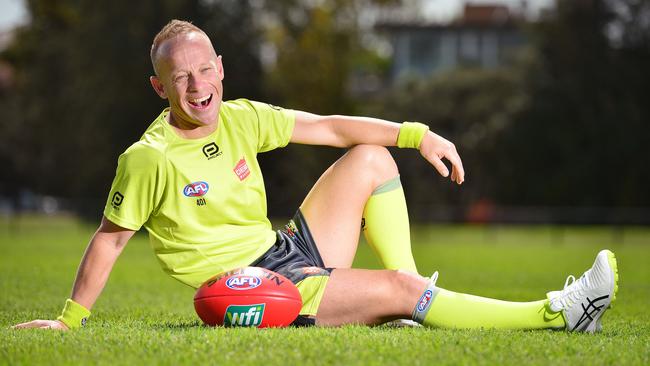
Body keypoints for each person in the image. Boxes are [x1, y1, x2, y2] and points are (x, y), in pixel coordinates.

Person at [13, 20, 617, 332]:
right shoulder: (148, 157)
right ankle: (559, 313)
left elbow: (331, 127)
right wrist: (69, 322)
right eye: (181, 79)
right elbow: (110, 238)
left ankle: (406, 293)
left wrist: (418, 134)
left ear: (221, 68)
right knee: (403, 294)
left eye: (206, 71)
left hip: (285, 249)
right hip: (253, 291)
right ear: (160, 87)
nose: (198, 88)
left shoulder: (242, 117)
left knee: (371, 159)